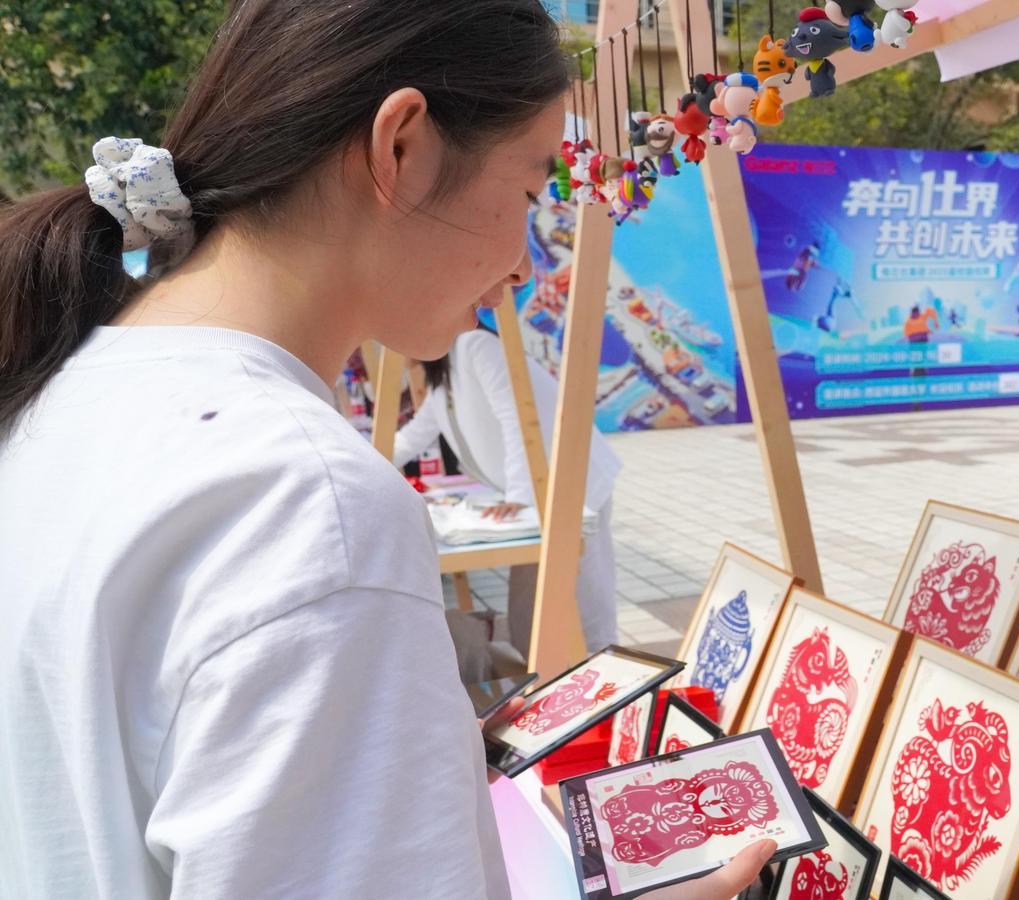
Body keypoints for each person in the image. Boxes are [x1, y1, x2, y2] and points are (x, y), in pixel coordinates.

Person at [0, 1, 771, 896]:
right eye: (530, 192)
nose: (524, 262)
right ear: (402, 147)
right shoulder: (306, 504)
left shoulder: (62, 389)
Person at [392, 324, 622, 664]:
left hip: (571, 487)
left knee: (584, 605)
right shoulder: (445, 374)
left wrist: (518, 496)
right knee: (531, 612)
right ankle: (550, 676)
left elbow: (515, 415)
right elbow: (412, 437)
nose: (392, 353)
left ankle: (605, 677)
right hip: (536, 500)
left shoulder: (475, 345)